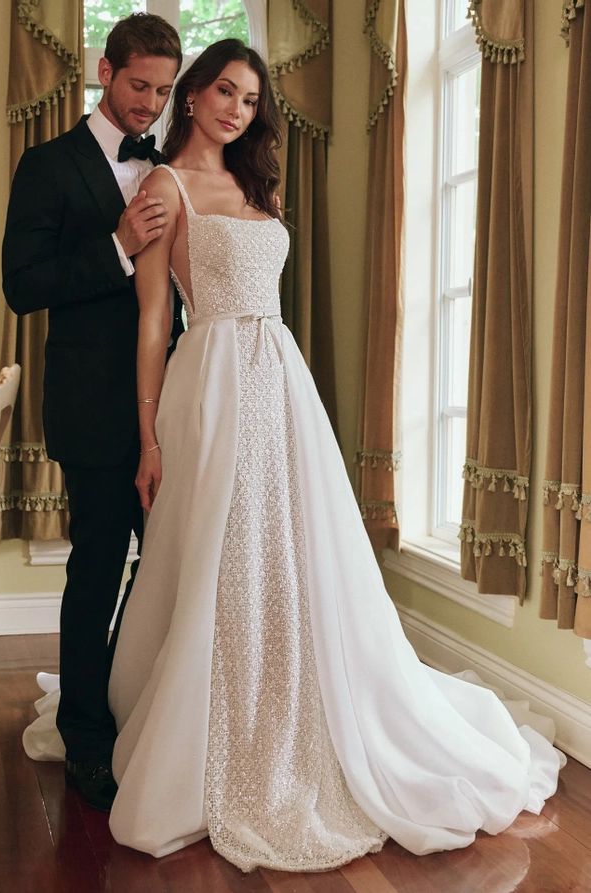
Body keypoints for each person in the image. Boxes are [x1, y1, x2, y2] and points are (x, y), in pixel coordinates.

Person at [100, 37, 564, 874]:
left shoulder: (253, 181)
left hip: (278, 379)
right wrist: (150, 435)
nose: (239, 110)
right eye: (226, 93)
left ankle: (300, 701)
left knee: (292, 553)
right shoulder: (162, 187)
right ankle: (223, 726)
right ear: (195, 94)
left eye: (250, 99)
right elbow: (153, 322)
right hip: (209, 383)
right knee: (219, 553)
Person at [2, 13, 184, 812]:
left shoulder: (176, 166)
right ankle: (87, 738)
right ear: (105, 72)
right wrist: (113, 243)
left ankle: (148, 705)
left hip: (181, 403)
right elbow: (24, 283)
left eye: (164, 91)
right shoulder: (47, 165)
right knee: (98, 567)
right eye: (140, 85)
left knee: (176, 561)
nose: (150, 104)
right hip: (91, 408)